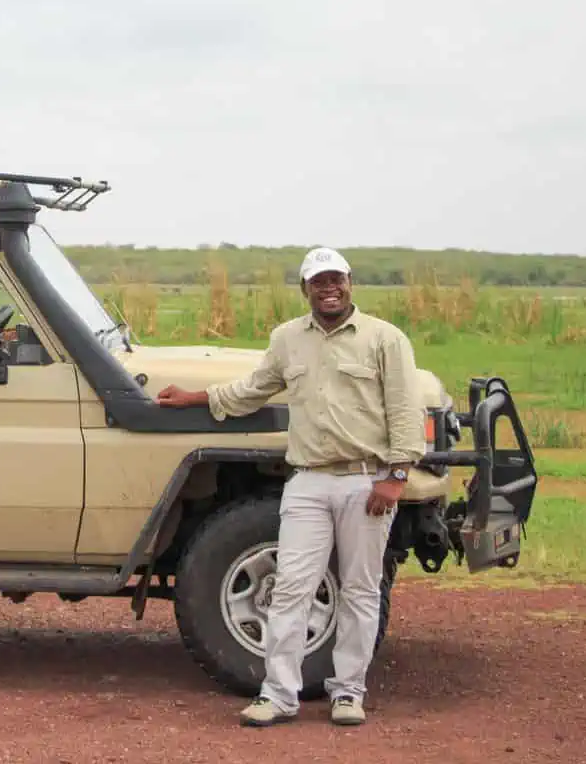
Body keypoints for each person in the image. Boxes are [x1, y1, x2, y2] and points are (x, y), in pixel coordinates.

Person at [155, 247, 426, 728]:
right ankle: (279, 693)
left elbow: (405, 412)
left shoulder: (385, 339)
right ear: (305, 289)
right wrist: (194, 398)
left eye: (336, 279)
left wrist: (396, 476)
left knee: (361, 590)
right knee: (289, 589)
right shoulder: (287, 340)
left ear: (349, 282)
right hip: (307, 481)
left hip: (366, 481)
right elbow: (252, 390)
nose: (329, 289)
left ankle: (348, 692)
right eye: (318, 282)